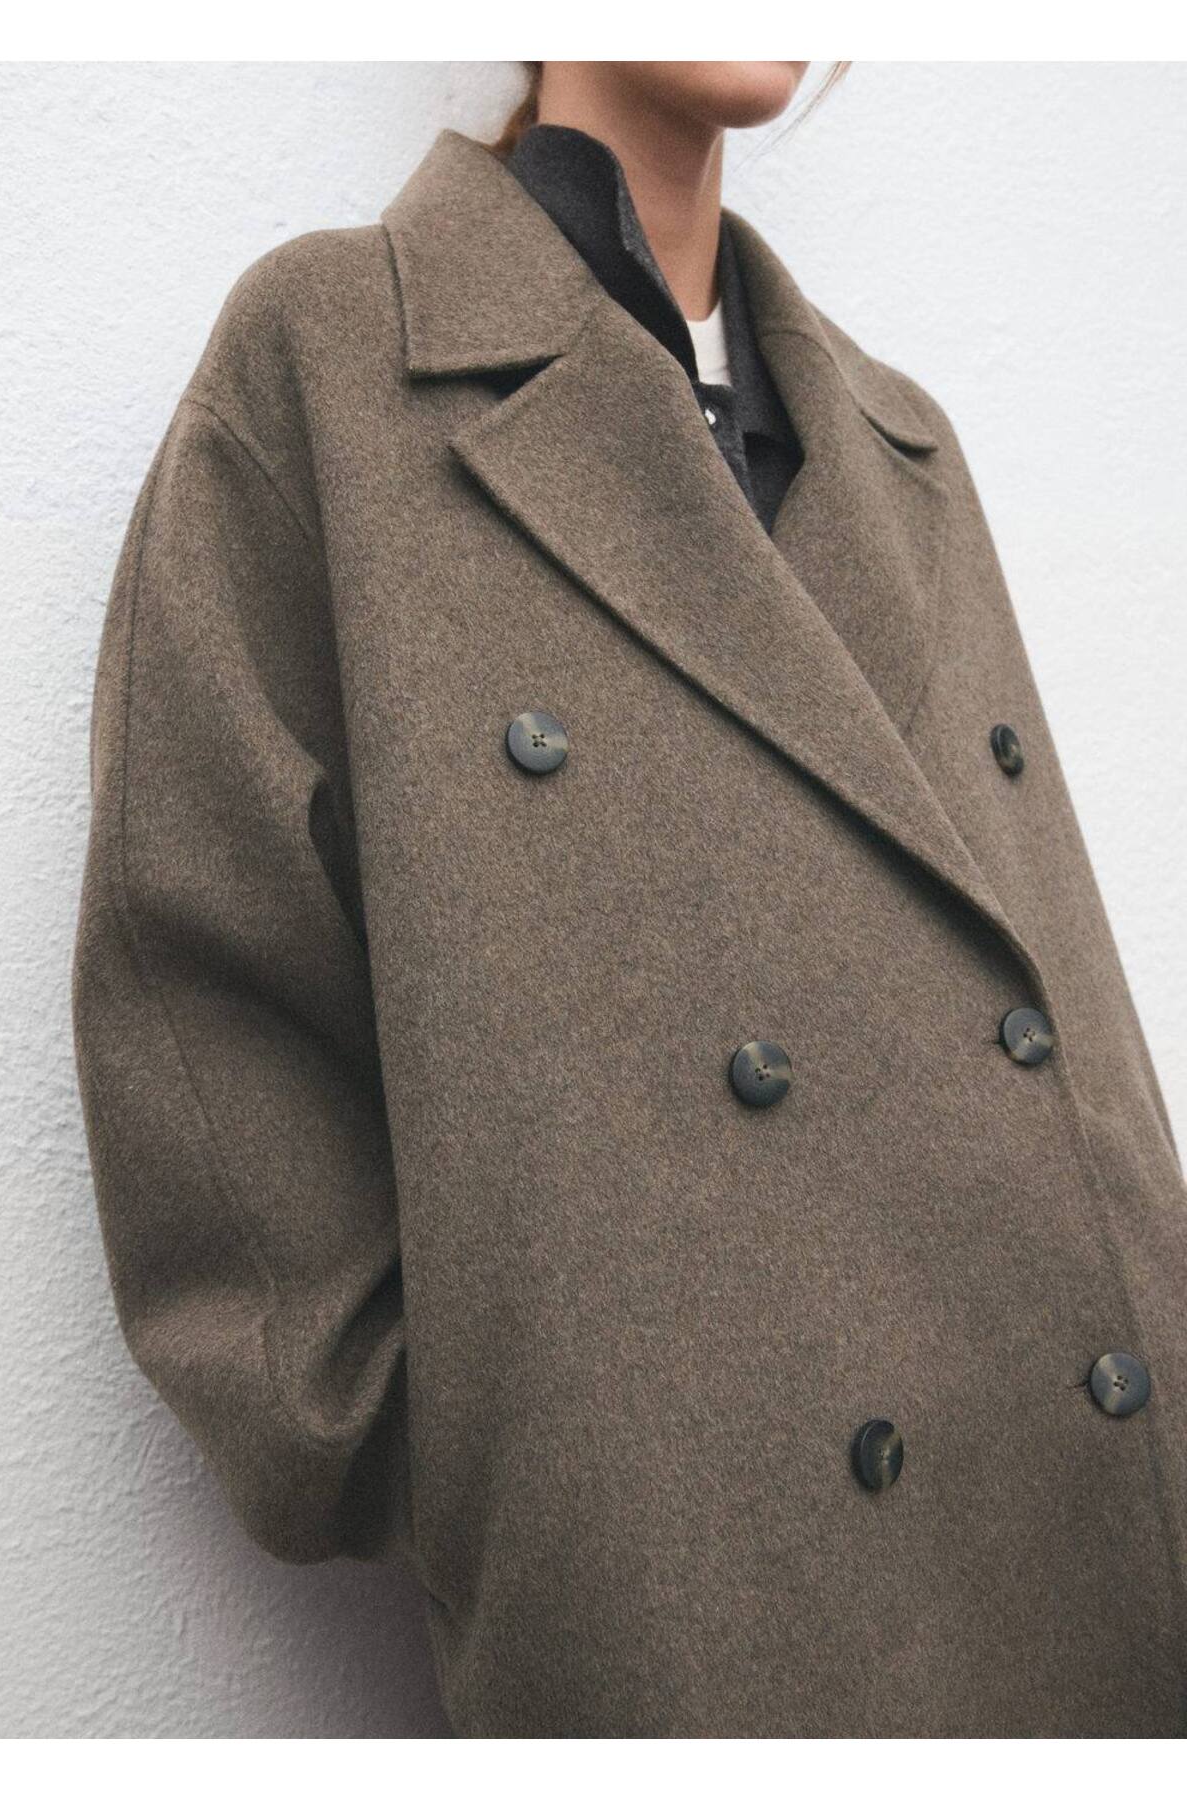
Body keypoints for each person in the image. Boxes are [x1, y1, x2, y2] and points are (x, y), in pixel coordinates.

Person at [71, 61, 1187, 1738]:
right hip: (710, 1623)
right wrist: (541, 1468)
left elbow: (1055, 1015)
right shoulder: (332, 364)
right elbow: (197, 998)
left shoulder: (896, 442)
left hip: (1101, 1530)